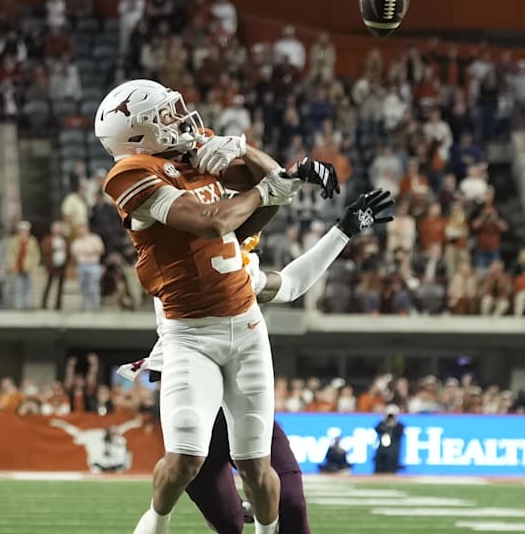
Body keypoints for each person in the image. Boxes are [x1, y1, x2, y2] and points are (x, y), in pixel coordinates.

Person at [121, 187, 392, 533]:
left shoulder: (238, 266)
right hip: (196, 397)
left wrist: (343, 230)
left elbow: (290, 284)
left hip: (241, 386)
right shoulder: (183, 258)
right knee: (228, 522)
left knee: (289, 504)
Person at [97, 79, 300, 534]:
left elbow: (278, 182)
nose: (178, 118)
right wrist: (266, 189)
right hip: (190, 334)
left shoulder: (191, 149)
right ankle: (157, 520)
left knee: (256, 464)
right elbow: (213, 222)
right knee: (185, 458)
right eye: (164, 115)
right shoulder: (130, 173)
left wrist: (243, 151)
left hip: (246, 325)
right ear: (137, 133)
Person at [374, 405, 405, 474]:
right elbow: (377, 429)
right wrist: (385, 422)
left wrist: (393, 425)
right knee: (378, 472)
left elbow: (399, 434)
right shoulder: (382, 424)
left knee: (391, 472)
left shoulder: (400, 426)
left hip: (393, 454)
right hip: (381, 452)